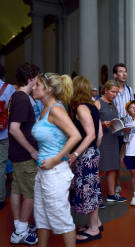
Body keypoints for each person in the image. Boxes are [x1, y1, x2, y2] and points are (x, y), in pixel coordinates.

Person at [31, 72, 81, 247]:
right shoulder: (44, 108)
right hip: (43, 172)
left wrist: (56, 159)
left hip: (55, 173)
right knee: (42, 217)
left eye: (37, 85)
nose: (33, 87)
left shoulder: (56, 110)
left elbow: (75, 135)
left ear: (49, 89)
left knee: (62, 219)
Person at [68, 76, 104, 243]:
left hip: (85, 154)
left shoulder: (81, 108)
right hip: (91, 152)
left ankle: (93, 229)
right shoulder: (92, 106)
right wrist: (94, 151)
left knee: (88, 191)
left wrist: (76, 154)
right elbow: (99, 135)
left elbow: (91, 135)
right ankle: (95, 222)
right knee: (93, 189)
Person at [8, 63, 39, 245]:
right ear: (30, 78)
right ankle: (21, 230)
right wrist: (32, 149)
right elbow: (14, 129)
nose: (37, 81)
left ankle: (19, 227)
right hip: (24, 155)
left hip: (16, 154)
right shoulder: (22, 98)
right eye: (36, 77)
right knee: (30, 193)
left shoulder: (17, 96)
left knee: (17, 190)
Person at [95, 81, 127, 203]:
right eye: (113, 92)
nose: (115, 95)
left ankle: (111, 194)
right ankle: (96, 197)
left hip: (113, 137)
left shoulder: (113, 103)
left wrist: (121, 126)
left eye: (116, 92)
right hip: (102, 139)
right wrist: (102, 124)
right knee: (101, 168)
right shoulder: (98, 103)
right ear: (105, 90)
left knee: (113, 167)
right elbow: (91, 122)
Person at [112, 63, 134, 196]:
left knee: (130, 156)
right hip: (115, 129)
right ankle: (117, 183)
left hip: (128, 128)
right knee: (115, 158)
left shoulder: (130, 90)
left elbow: (132, 107)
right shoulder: (112, 89)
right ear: (115, 75)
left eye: (125, 71)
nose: (124, 74)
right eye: (121, 72)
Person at [0, 64, 15, 211]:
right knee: (1, 165)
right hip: (3, 131)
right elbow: (12, 109)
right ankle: (0, 198)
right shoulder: (9, 88)